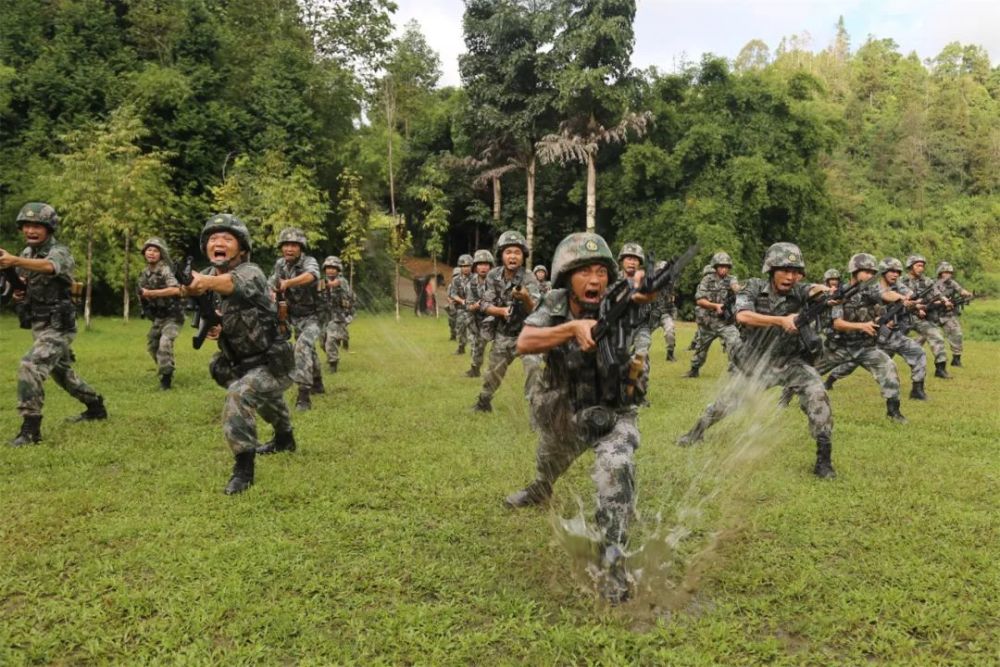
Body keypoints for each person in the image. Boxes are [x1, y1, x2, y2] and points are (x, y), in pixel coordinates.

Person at [504, 232, 642, 603]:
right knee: (548, 463)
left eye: (600, 271)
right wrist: (572, 328)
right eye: (584, 272)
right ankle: (540, 490)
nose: (594, 280)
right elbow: (524, 342)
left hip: (614, 410)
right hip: (568, 409)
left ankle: (613, 562)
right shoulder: (555, 301)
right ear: (567, 277)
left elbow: (642, 302)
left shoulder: (620, 301)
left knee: (616, 467)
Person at [676, 243, 838, 478]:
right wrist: (781, 320)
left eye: (795, 271)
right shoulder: (753, 287)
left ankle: (824, 460)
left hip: (791, 362)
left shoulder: (800, 290)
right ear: (771, 269)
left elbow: (812, 289)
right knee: (724, 404)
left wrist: (825, 291)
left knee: (818, 397)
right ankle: (695, 432)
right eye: (784, 270)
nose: (790, 277)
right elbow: (743, 316)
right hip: (755, 364)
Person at [183, 214, 296, 492]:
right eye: (212, 238)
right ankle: (285, 439)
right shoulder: (208, 277)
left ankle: (243, 469)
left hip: (274, 361)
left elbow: (231, 284)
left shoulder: (251, 272)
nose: (218, 242)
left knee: (239, 394)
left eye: (226, 238)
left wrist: (200, 282)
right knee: (265, 398)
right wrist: (215, 326)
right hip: (240, 361)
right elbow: (204, 300)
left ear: (242, 249)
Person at [1, 202, 107, 446]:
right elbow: (25, 285)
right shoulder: (27, 254)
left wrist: (14, 261)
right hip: (39, 323)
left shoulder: (59, 252)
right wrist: (17, 291)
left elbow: (50, 267)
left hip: (59, 325)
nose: (31, 230)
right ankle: (96, 407)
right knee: (63, 375)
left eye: (37, 226)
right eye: (27, 226)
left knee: (30, 364)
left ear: (49, 228)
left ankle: (30, 431)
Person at [814, 253, 908, 423]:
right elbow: (838, 323)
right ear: (854, 271)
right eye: (866, 271)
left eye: (873, 272)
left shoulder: (872, 293)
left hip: (865, 348)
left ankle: (893, 411)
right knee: (810, 371)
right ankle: (786, 396)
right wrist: (862, 326)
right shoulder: (841, 294)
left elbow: (885, 298)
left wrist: (898, 303)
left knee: (889, 368)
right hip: (839, 347)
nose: (870, 276)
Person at [824, 258, 929, 400]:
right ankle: (829, 380)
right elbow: (885, 294)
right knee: (849, 363)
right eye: (892, 271)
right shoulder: (863, 288)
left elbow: (900, 295)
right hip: (866, 336)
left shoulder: (893, 286)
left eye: (898, 272)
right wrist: (902, 299)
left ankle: (915, 391)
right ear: (884, 272)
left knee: (916, 353)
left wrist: (911, 303)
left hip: (890, 334)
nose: (895, 274)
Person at [473, 231, 541, 412]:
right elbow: (485, 304)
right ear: (501, 255)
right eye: (508, 252)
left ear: (523, 256)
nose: (512, 256)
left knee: (534, 367)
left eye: (517, 252)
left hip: (527, 333)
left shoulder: (529, 278)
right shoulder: (493, 276)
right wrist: (502, 311)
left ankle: (536, 411)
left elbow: (535, 310)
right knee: (492, 374)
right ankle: (483, 403)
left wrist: (525, 298)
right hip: (504, 333)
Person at [268, 228, 322, 410]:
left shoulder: (309, 261)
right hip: (292, 316)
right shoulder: (280, 265)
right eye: (286, 245)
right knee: (306, 349)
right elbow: (271, 283)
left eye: (294, 245)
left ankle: (303, 396)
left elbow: (311, 276)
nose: (289, 249)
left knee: (302, 346)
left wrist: (287, 283)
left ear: (301, 248)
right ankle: (317, 381)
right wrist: (272, 293)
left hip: (315, 316)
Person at [137, 237, 185, 390]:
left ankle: (166, 380)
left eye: (155, 250)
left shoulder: (165, 269)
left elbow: (176, 289)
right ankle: (165, 368)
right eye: (149, 250)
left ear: (161, 254)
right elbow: (142, 293)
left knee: (165, 342)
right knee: (153, 345)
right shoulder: (145, 273)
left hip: (173, 315)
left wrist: (152, 293)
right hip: (159, 316)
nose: (151, 253)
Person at [685, 252, 740, 378]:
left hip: (724, 322)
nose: (724, 269)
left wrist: (739, 289)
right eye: (721, 266)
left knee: (735, 341)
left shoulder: (731, 279)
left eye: (726, 266)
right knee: (701, 350)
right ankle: (694, 370)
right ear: (715, 266)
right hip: (708, 322)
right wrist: (715, 306)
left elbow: (736, 286)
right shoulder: (707, 280)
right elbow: (699, 300)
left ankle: (735, 372)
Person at [900, 254, 950, 380]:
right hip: (902, 317)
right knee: (888, 343)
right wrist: (914, 307)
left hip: (919, 318)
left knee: (937, 336)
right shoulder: (901, 281)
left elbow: (936, 292)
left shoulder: (927, 281)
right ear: (910, 267)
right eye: (918, 265)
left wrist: (945, 301)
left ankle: (940, 368)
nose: (921, 268)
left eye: (922, 266)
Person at [317, 256, 355, 373]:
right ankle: (332, 353)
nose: (331, 270)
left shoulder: (342, 280)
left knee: (330, 340)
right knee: (322, 342)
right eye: (328, 268)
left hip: (338, 316)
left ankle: (333, 364)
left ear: (338, 269)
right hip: (325, 316)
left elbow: (335, 283)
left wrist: (327, 285)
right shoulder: (321, 281)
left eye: (334, 268)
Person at [933, 261, 972, 368]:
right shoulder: (934, 284)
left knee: (957, 334)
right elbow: (935, 296)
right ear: (940, 273)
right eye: (945, 272)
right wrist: (944, 302)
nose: (948, 274)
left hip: (947, 314)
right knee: (923, 337)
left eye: (950, 272)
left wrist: (968, 294)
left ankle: (956, 359)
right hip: (933, 314)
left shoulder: (952, 283)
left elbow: (960, 290)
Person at [463, 249, 494, 378]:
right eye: (480, 264)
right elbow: (468, 306)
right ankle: (475, 369)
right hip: (476, 318)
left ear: (490, 266)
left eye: (486, 264)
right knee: (477, 344)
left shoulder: (496, 281)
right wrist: (477, 305)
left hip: (494, 317)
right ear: (475, 267)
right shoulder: (471, 285)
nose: (483, 268)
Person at [649, 259, 678, 362]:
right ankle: (634, 353)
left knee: (670, 331)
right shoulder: (650, 284)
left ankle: (670, 355)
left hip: (665, 314)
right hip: (652, 315)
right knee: (642, 335)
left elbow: (672, 300)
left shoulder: (670, 285)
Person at [449, 256, 474, 355]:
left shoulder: (475, 278)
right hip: (461, 308)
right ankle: (461, 348)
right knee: (460, 329)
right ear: (460, 267)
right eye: (463, 266)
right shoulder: (456, 280)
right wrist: (462, 301)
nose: (466, 268)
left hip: (473, 308)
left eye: (468, 266)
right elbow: (453, 294)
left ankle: (474, 349)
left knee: (473, 330)